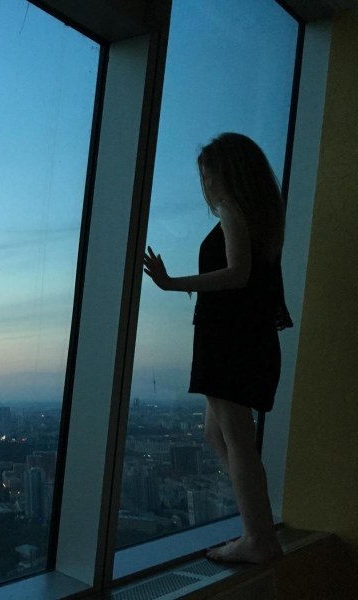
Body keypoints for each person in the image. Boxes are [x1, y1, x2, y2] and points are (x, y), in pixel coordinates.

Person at [143, 132, 292, 564]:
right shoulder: (260, 216)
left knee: (237, 440)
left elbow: (237, 274)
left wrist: (173, 284)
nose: (205, 183)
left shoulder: (232, 211)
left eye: (208, 174)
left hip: (229, 341)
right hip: (243, 338)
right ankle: (258, 523)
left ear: (226, 173)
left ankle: (258, 539)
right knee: (218, 433)